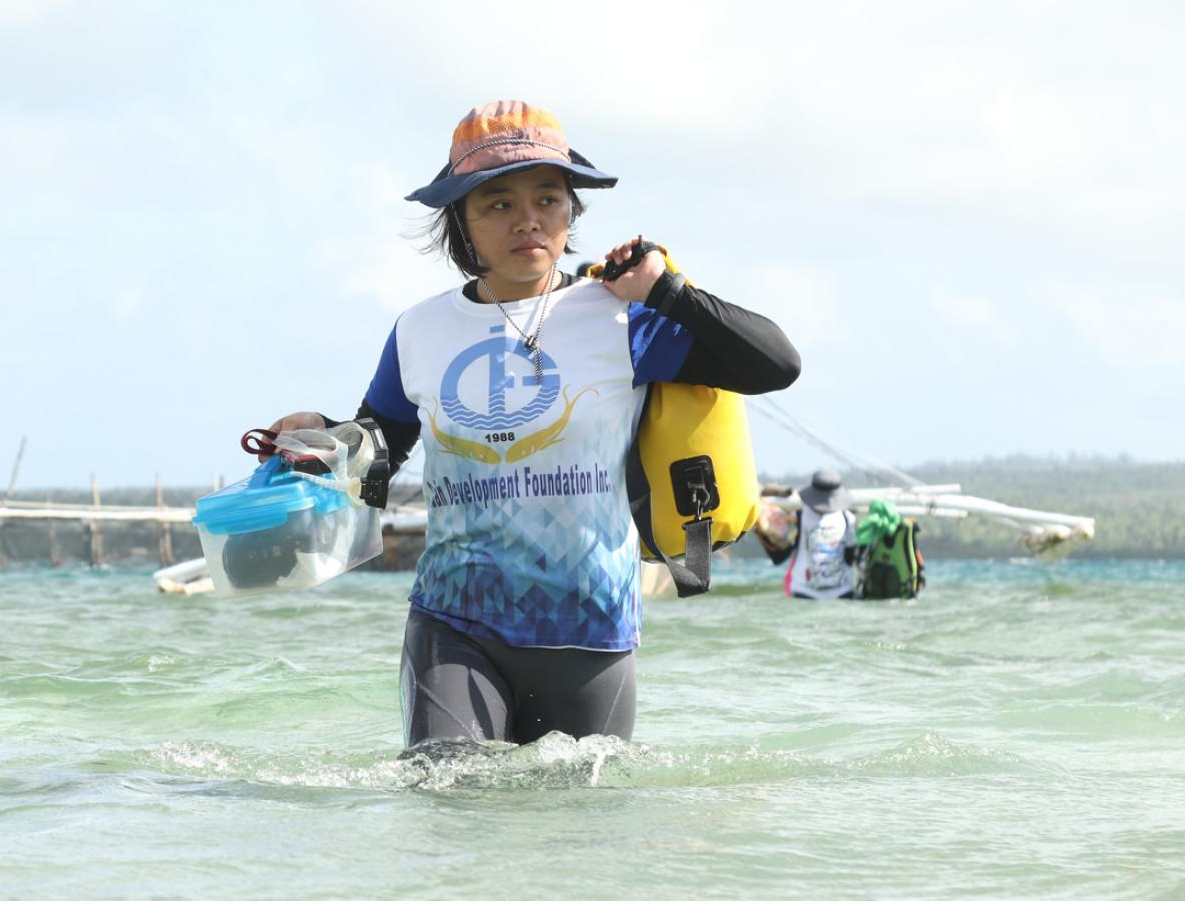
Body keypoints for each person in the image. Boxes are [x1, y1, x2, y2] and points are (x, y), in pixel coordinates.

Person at [267, 99, 800, 749]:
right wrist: (320, 440)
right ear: (461, 221)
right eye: (498, 204)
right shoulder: (419, 331)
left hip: (590, 628)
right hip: (453, 621)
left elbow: (776, 363)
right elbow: (379, 453)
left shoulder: (619, 319)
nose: (529, 221)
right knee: (447, 799)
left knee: (574, 837)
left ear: (571, 211)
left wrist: (668, 293)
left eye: (548, 200)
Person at [758, 468, 863, 599]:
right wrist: (763, 531)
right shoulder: (799, 517)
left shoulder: (847, 519)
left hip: (833, 594)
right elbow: (779, 556)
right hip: (812, 594)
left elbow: (779, 557)